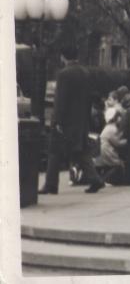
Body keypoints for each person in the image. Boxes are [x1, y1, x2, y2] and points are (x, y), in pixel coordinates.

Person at [39, 44, 105, 195]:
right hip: (81, 120)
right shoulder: (86, 73)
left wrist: (56, 121)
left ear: (63, 57)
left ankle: (51, 184)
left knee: (54, 151)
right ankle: (95, 179)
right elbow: (92, 96)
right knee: (81, 151)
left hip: (66, 122)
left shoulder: (63, 74)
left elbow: (60, 100)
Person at [94, 107, 127, 186]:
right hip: (108, 150)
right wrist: (127, 141)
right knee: (117, 165)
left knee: (110, 166)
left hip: (103, 149)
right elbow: (117, 143)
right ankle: (106, 180)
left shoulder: (108, 127)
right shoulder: (112, 128)